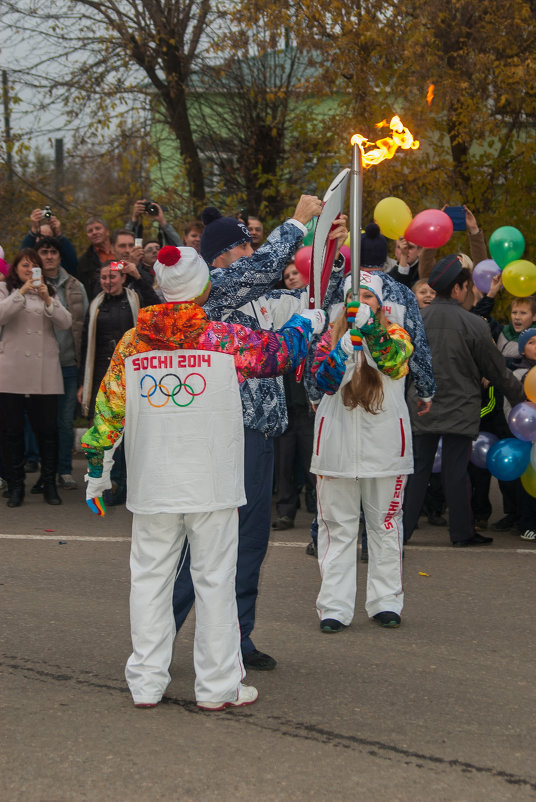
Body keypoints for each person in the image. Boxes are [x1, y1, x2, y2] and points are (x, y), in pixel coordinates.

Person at [81, 244, 325, 709]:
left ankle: (147, 681)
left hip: (154, 484)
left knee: (150, 578)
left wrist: (98, 471)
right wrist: (305, 323)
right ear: (203, 288)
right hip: (211, 482)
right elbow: (276, 355)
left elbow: (108, 413)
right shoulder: (220, 338)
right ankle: (217, 687)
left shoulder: (134, 343)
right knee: (215, 579)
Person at [173, 195, 347, 671]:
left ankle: (237, 637)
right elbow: (267, 264)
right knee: (204, 543)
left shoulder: (257, 305)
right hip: (223, 435)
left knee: (250, 544)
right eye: (243, 248)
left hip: (259, 439)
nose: (252, 257)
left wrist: (330, 255)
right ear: (222, 257)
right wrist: (297, 221)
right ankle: (160, 631)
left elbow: (319, 304)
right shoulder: (213, 290)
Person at [310, 271, 414, 630]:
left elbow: (393, 364)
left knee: (385, 526)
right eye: (355, 296)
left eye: (368, 297)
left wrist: (370, 331)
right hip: (336, 450)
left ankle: (386, 602)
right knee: (338, 529)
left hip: (385, 449)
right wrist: (340, 352)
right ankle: (334, 608)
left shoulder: (396, 334)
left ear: (379, 304)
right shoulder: (329, 339)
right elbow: (319, 383)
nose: (361, 303)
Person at [403, 254, 525, 547]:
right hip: (460, 408)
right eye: (467, 286)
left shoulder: (416, 319)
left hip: (421, 405)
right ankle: (461, 533)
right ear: (458, 289)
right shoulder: (475, 324)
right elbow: (497, 371)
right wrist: (523, 399)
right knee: (456, 472)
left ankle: (402, 531)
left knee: (417, 469)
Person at [0, 249, 72, 507]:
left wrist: (48, 300)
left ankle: (49, 483)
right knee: (12, 432)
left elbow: (66, 322)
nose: (29, 270)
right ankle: (16, 484)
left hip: (44, 373)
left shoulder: (49, 291)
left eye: (34, 266)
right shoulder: (5, 289)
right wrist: (21, 293)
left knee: (48, 431)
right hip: (12, 371)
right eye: (24, 266)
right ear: (15, 268)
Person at [31, 237, 88, 491]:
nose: (50, 256)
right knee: (41, 422)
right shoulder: (29, 285)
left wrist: (82, 368)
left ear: (60, 255)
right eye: (44, 252)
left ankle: (64, 470)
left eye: (54, 251)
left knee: (64, 423)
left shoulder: (75, 286)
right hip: (38, 365)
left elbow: (85, 328)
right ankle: (44, 470)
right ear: (37, 256)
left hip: (67, 364)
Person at [272, 261, 317, 530]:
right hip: (286, 402)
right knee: (284, 462)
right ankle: (286, 510)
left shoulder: (317, 308)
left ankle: (318, 508)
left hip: (310, 403)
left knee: (314, 461)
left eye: (295, 273)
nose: (291, 278)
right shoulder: (279, 311)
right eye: (286, 276)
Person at [512, 328, 536, 541]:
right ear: (522, 350)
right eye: (532, 343)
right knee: (528, 481)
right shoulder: (519, 374)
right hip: (527, 437)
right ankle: (527, 523)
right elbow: (512, 408)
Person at [21, 209, 78, 277]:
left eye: (49, 237)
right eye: (42, 237)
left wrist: (59, 235)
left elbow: (72, 262)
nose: (49, 257)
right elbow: (22, 257)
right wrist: (33, 231)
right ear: (36, 239)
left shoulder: (64, 270)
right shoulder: (31, 266)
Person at [77, 217, 115, 299]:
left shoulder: (122, 249)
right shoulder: (84, 262)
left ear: (107, 231)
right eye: (90, 231)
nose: (94, 232)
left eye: (98, 228)